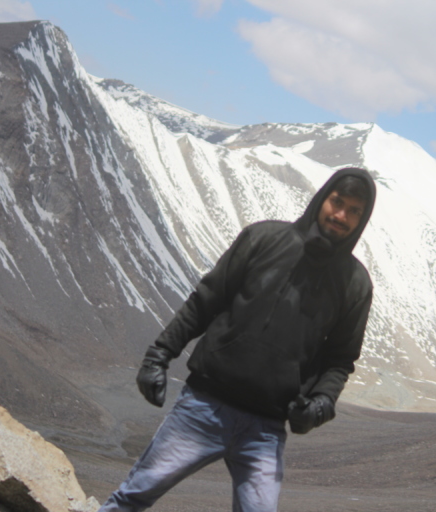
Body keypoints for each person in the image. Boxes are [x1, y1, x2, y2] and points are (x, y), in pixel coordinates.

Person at [99, 167, 376, 512]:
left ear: (362, 220)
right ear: (323, 198)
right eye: (338, 202)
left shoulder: (354, 284)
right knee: (133, 496)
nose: (341, 215)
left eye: (354, 211)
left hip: (266, 428)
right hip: (204, 406)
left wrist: (321, 404)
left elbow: (340, 359)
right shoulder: (264, 239)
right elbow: (206, 300)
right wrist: (159, 355)